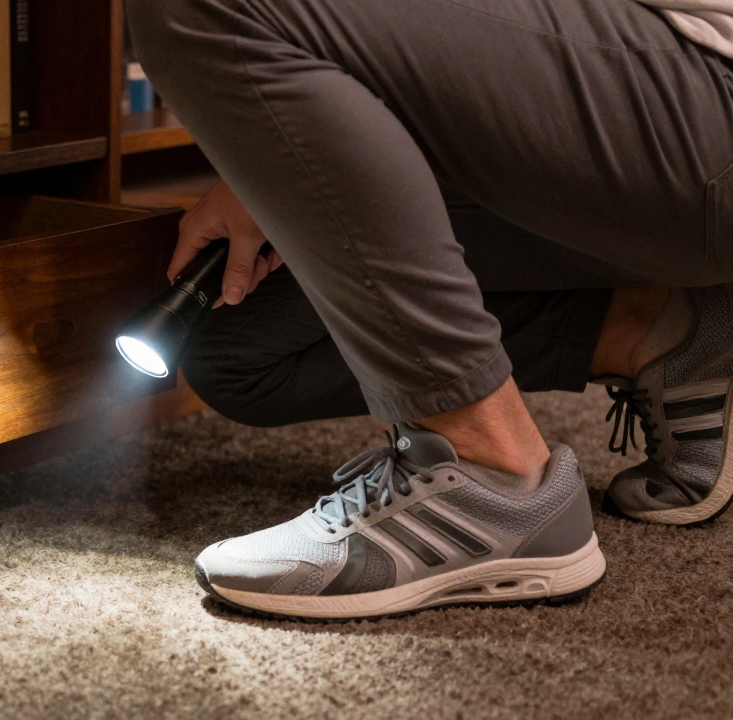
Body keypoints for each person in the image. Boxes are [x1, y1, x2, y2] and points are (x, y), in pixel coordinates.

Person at [125, 0, 733, 620]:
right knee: (234, 344)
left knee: (199, 6)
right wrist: (275, 146)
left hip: (708, 100)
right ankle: (650, 328)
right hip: (659, 126)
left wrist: (271, 125)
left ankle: (492, 473)